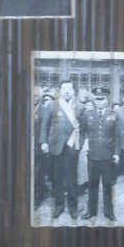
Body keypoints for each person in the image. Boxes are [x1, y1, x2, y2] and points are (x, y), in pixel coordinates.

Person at [40, 80, 83, 219]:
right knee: (57, 178)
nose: (67, 91)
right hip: (56, 146)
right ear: (60, 91)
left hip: (72, 146)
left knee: (72, 178)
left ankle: (73, 207)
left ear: (73, 90)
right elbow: (44, 126)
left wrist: (81, 143)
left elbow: (84, 128)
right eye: (64, 89)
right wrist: (44, 142)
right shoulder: (52, 105)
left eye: (69, 88)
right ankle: (59, 206)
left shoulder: (79, 106)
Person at [80, 87, 121, 221]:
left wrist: (116, 153)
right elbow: (82, 131)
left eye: (101, 99)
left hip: (107, 157)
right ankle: (91, 211)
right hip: (92, 156)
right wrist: (85, 142)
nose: (99, 101)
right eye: (97, 99)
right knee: (92, 185)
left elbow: (117, 137)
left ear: (106, 100)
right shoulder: (88, 114)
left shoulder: (114, 115)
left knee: (107, 185)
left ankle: (109, 212)